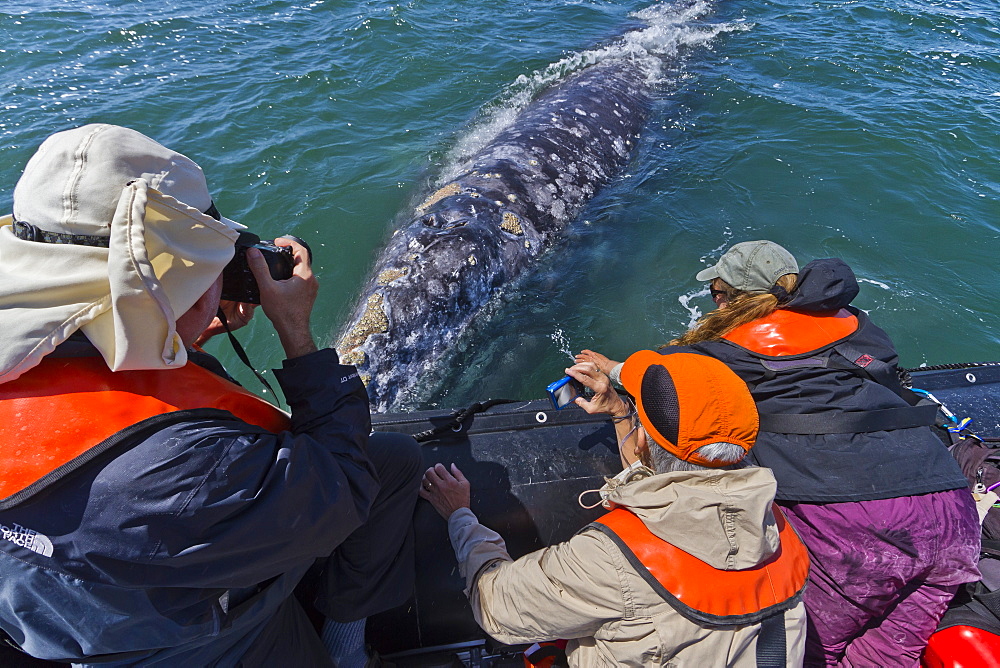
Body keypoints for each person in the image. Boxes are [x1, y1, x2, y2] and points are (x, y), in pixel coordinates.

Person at [0, 124, 421, 667]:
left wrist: (180, 331)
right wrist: (297, 333)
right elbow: (339, 491)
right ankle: (344, 651)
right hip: (171, 641)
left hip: (43, 613)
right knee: (384, 468)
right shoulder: (191, 467)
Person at [579, 240, 981, 667]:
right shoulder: (855, 326)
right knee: (888, 655)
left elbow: (662, 381)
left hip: (859, 528)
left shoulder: (719, 353)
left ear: (724, 298)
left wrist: (613, 372)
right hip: (952, 510)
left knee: (809, 652)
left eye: (716, 290)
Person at [420, 350, 809, 667]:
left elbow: (496, 608)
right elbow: (675, 487)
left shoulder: (614, 557)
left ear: (641, 441)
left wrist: (460, 517)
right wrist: (621, 411)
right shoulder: (778, 530)